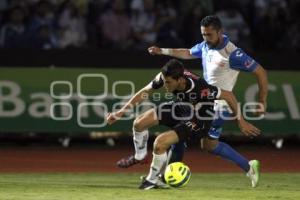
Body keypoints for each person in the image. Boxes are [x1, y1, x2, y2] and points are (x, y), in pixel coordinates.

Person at [107, 59, 261, 190]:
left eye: (168, 83)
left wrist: (241, 120)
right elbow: (145, 92)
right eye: (164, 81)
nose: (165, 86)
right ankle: (140, 156)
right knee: (139, 123)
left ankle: (152, 180)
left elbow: (228, 95)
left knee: (160, 143)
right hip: (180, 108)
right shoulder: (166, 76)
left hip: (199, 120)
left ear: (180, 80)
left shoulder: (201, 88)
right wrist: (120, 112)